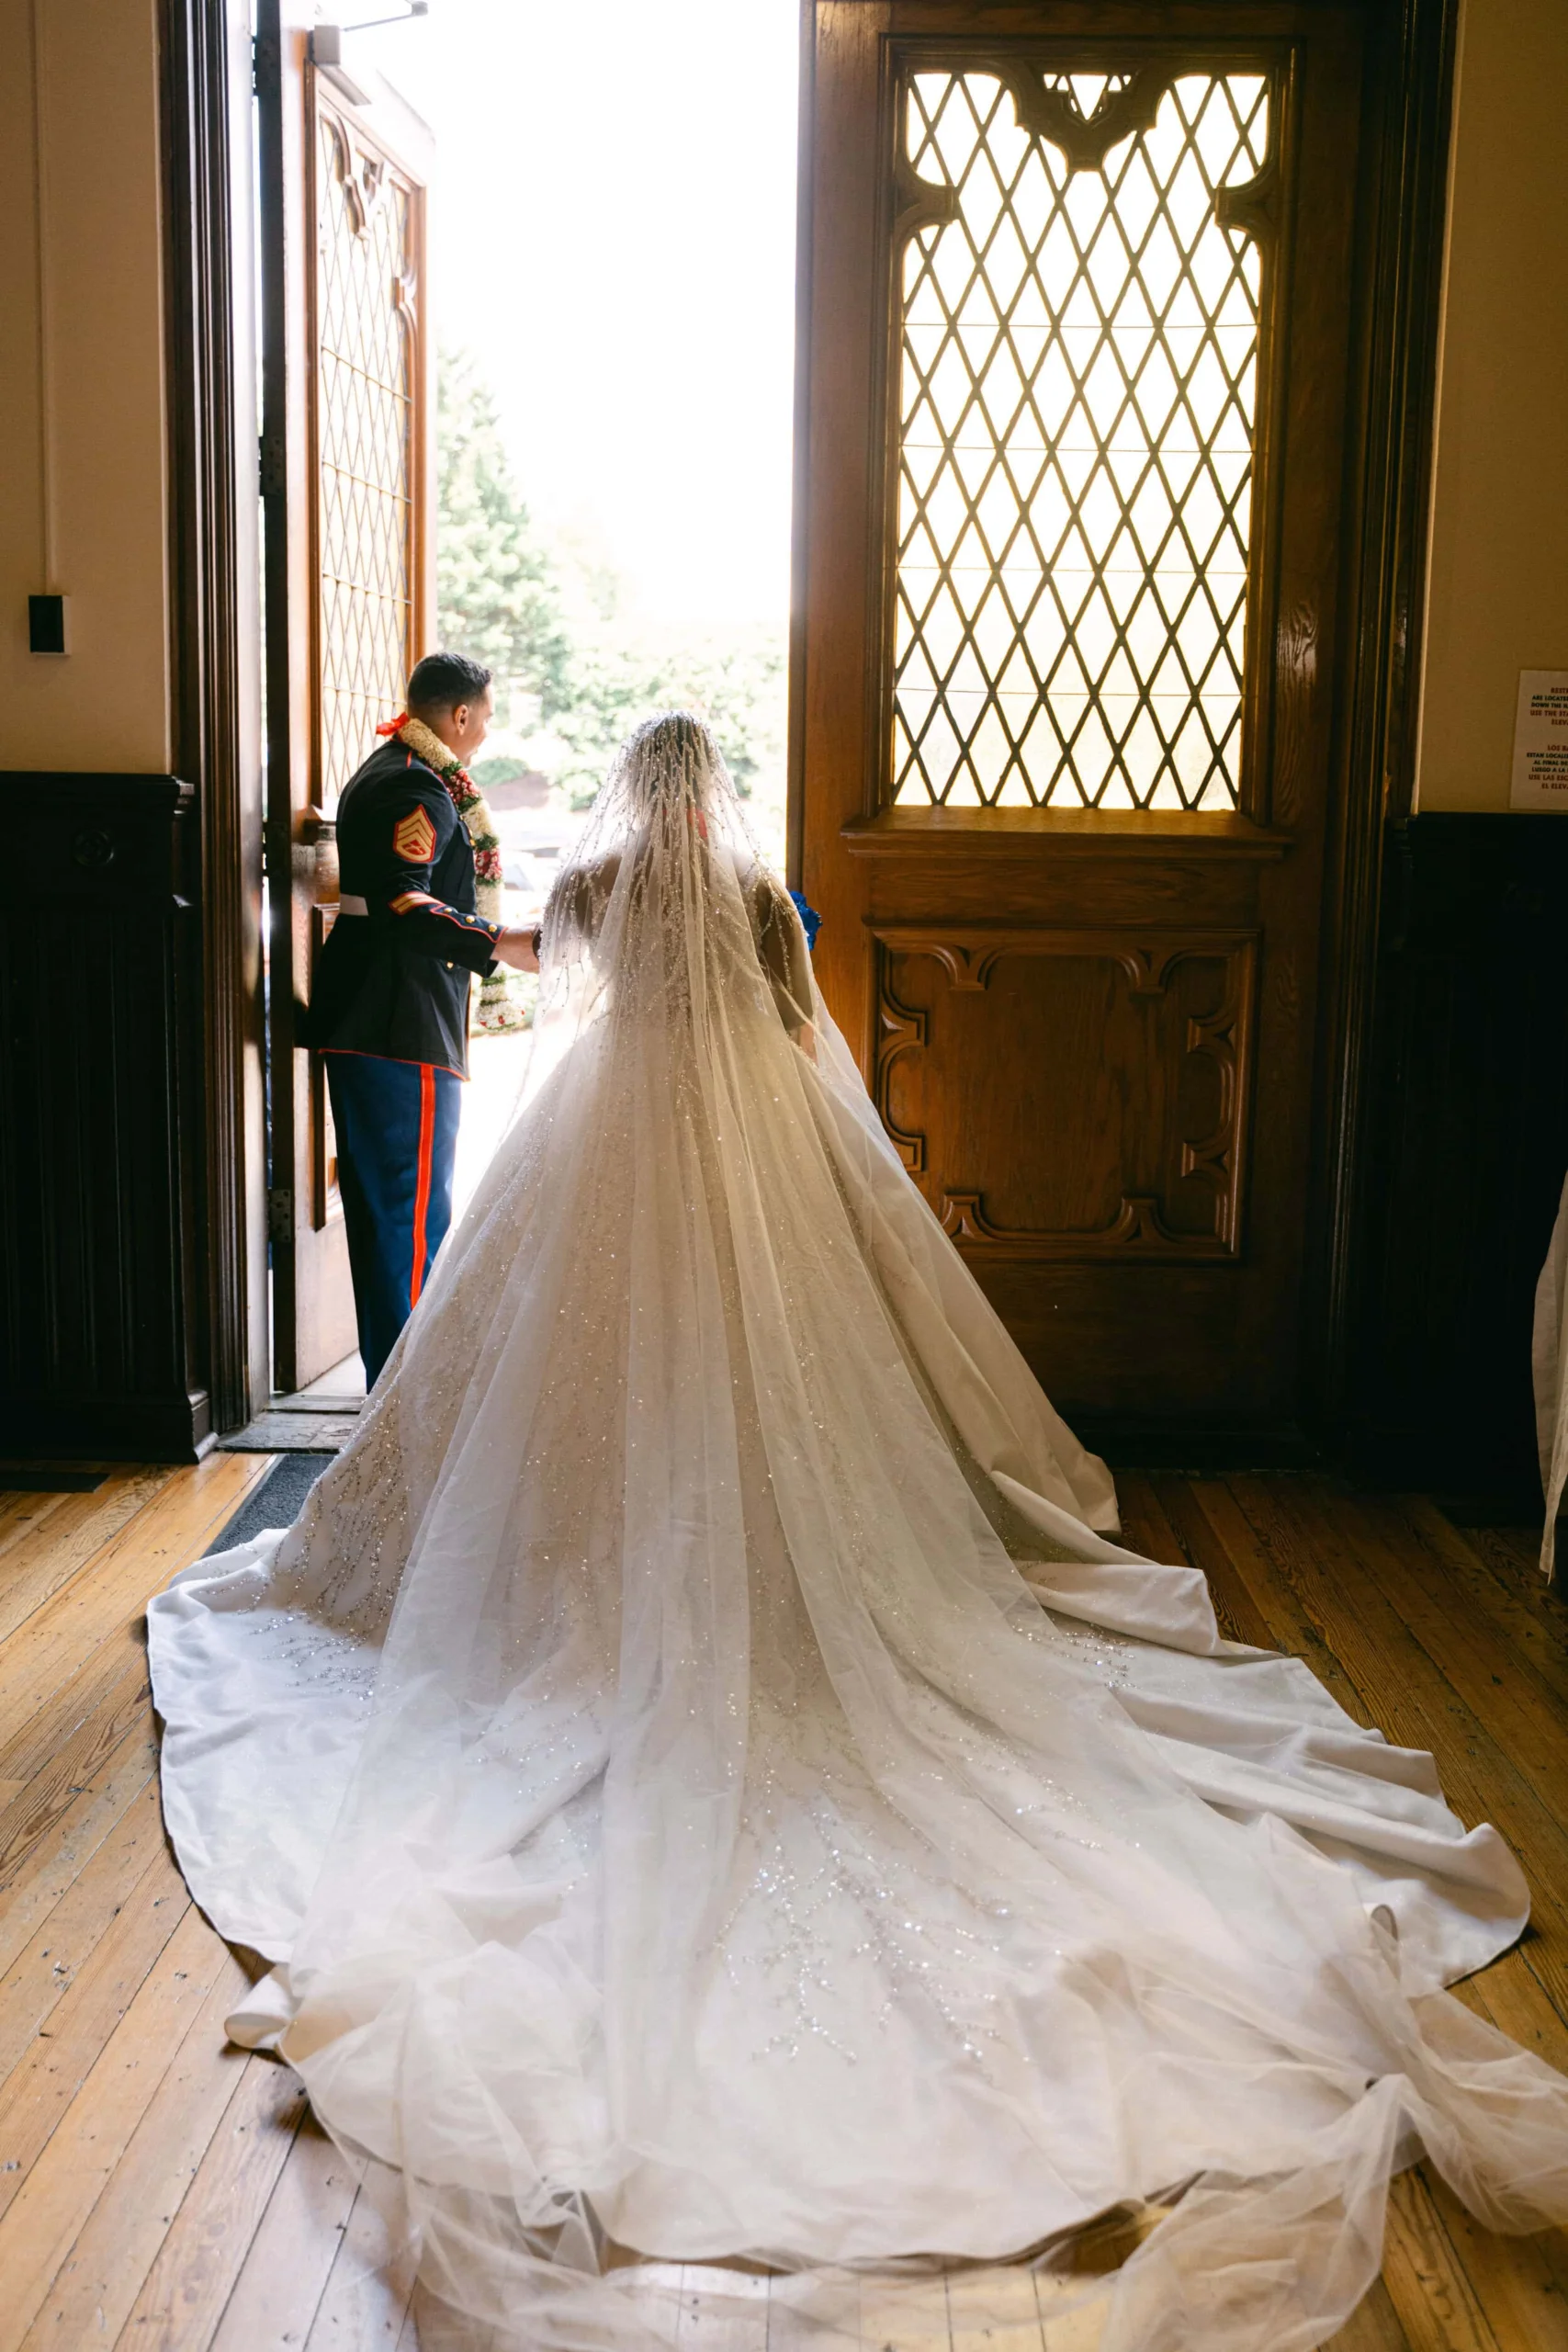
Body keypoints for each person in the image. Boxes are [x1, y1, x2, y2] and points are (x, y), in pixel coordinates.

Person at [150, 715, 1568, 2352]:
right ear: (711, 794)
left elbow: (561, 976)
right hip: (739, 1139)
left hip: (607, 1133)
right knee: (769, 1375)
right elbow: (787, 1018)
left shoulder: (599, 882)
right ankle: (765, 1562)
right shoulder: (758, 897)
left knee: (578, 1373)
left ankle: (579, 1573)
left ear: (630, 793)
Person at [308, 650, 540, 1385]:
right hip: (396, 1020)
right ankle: (403, 1397)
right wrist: (499, 941)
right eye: (486, 718)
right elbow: (406, 901)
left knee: (391, 1217)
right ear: (461, 714)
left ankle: (396, 1387)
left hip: (374, 1017)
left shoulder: (394, 770)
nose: (486, 732)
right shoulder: (416, 786)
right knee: (406, 1222)